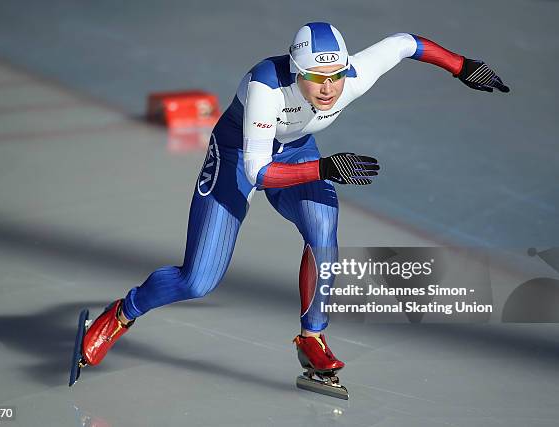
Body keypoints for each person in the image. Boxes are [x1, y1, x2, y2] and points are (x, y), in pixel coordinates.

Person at [78, 22, 509, 382]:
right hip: (237, 157)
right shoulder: (267, 85)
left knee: (323, 235)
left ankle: (312, 337)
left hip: (297, 152)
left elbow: (403, 44)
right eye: (316, 79)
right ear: (295, 71)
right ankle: (123, 311)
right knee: (198, 281)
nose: (328, 89)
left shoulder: (351, 78)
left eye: (336, 76)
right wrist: (323, 169)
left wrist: (461, 66)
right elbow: (257, 172)